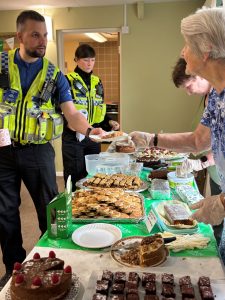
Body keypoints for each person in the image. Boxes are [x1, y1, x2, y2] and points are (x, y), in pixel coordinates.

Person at [0, 11, 103, 289]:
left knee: (50, 211)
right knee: (5, 212)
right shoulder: (1, 65)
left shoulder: (54, 75)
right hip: (3, 153)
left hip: (38, 153)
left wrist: (93, 131)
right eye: (35, 34)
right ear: (20, 36)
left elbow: (71, 114)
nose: (43, 40)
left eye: (45, 35)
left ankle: (54, 264)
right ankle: (14, 270)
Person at [130, 7, 225, 228]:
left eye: (186, 45)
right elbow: (197, 141)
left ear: (206, 50)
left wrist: (221, 202)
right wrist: (151, 139)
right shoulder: (216, 97)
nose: (183, 53)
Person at [172, 57, 223, 246]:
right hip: (217, 173)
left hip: (216, 167)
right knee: (217, 227)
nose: (188, 93)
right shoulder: (211, 98)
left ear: (200, 75)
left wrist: (202, 161)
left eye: (188, 86)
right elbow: (201, 139)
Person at [63, 44, 120, 191]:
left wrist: (109, 121)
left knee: (92, 175)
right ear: (76, 60)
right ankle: (73, 209)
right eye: (85, 60)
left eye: (92, 60)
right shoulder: (66, 80)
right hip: (74, 136)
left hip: (94, 136)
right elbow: (61, 108)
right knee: (75, 175)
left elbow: (98, 107)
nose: (89, 63)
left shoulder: (97, 81)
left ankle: (88, 209)